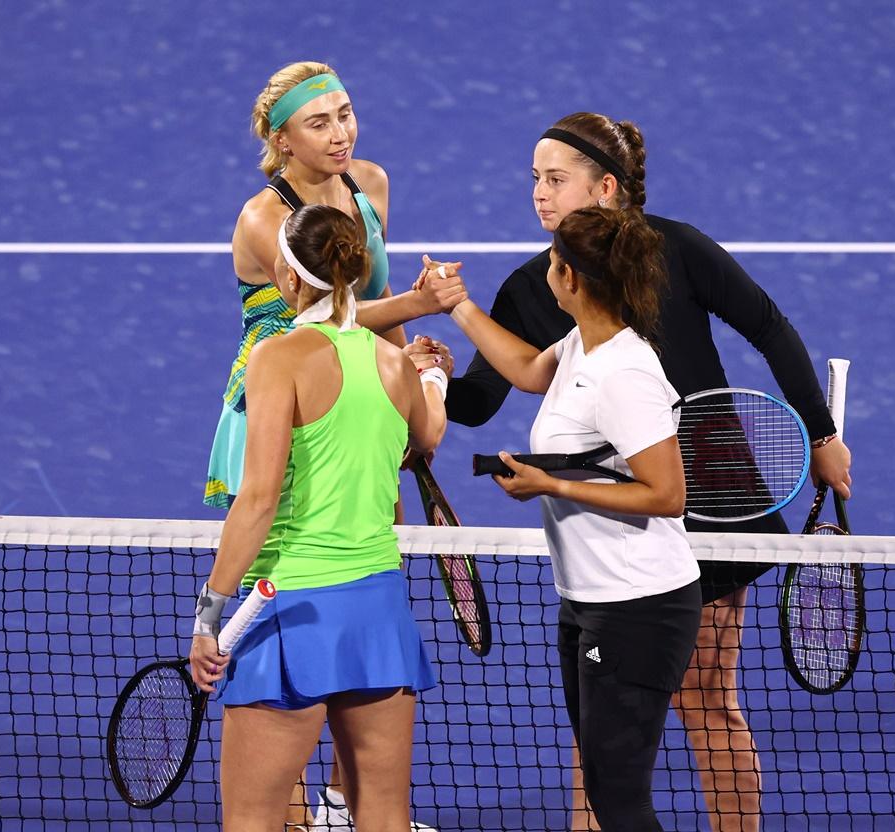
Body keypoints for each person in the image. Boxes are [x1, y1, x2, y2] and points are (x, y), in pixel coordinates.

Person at [434, 113, 854, 831]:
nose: (539, 194)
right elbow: (486, 396)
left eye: (556, 179)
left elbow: (769, 325)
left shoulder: (677, 250)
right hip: (613, 519)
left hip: (714, 495)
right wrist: (436, 377)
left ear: (606, 187)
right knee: (600, 724)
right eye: (534, 178)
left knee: (705, 699)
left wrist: (820, 432)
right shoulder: (541, 284)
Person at [203, 61, 458, 830]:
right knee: (283, 537)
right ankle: (294, 810)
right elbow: (308, 321)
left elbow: (351, 301)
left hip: (358, 375)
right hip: (282, 391)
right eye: (320, 122)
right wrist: (409, 371)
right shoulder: (261, 218)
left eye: (346, 114)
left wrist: (403, 373)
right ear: (280, 140)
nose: (341, 133)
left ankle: (341, 804)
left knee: (342, 547)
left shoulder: (369, 184)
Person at [447, 205, 704, 831]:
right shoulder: (583, 343)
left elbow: (668, 494)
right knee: (602, 781)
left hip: (638, 604)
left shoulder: (625, 373)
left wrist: (552, 485)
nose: (547, 271)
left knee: (618, 797)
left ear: (571, 279)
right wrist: (456, 306)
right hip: (589, 598)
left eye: (554, 263)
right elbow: (531, 371)